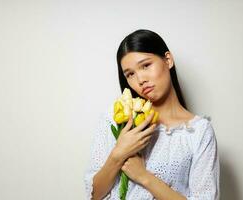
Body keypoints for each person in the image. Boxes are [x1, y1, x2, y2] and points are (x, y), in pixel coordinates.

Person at [84, 29, 220, 200]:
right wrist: (118, 154)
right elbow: (93, 195)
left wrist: (144, 176)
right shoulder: (117, 118)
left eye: (146, 65)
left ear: (168, 60)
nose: (140, 79)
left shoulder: (198, 132)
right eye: (130, 74)